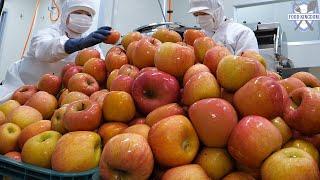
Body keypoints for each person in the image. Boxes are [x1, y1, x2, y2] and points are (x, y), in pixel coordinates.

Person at [0, 0, 111, 103]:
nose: (83, 17)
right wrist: (74, 44)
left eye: (88, 15)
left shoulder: (91, 43)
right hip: (21, 85)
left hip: (52, 98)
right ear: (65, 14)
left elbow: (102, 66)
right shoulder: (49, 32)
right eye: (78, 12)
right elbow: (43, 49)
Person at [188, 0, 259, 55]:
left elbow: (248, 66)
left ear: (218, 10)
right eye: (196, 15)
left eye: (203, 13)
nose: (199, 19)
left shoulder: (242, 33)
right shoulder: (200, 36)